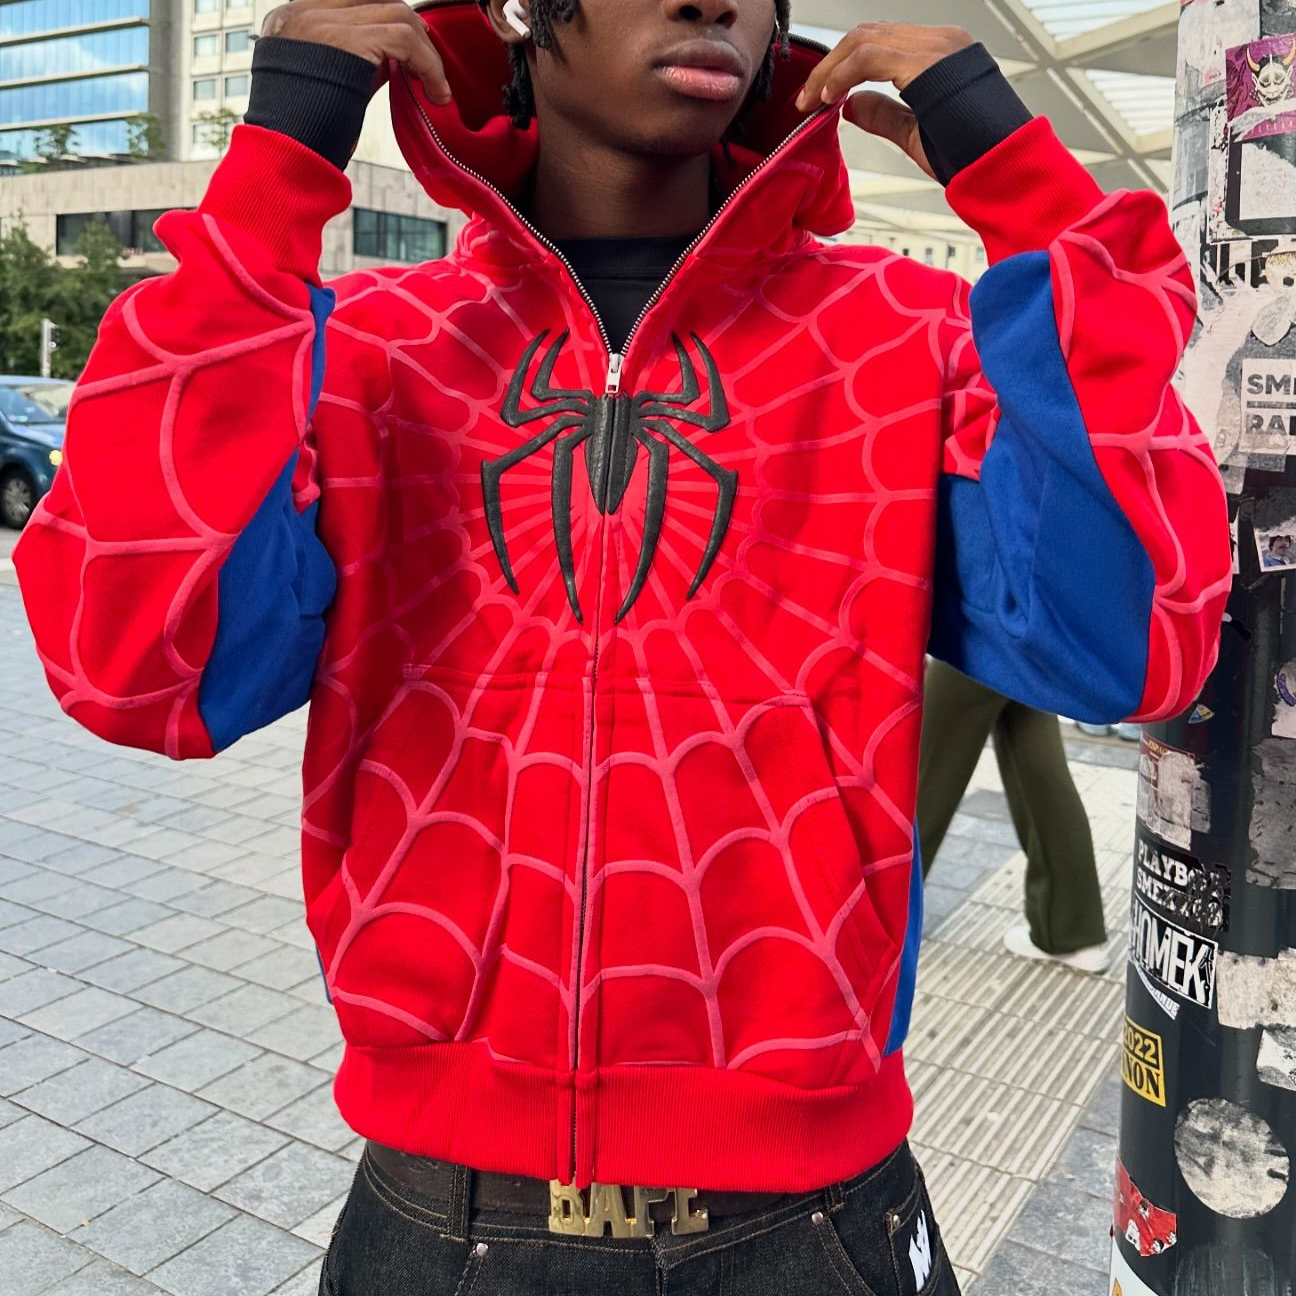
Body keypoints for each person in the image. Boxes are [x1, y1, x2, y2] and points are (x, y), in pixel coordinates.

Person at [12, 0, 1232, 1292]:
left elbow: (1126, 649)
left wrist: (1029, 193)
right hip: (437, 1216)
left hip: (815, 1217)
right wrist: (272, 179)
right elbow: (137, 667)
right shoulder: (370, 346)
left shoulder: (903, 334)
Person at [917, 659, 1109, 973]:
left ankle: (875, 925)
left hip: (973, 637)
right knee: (1036, 762)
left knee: (921, 776)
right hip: (1031, 640)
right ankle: (1070, 933)